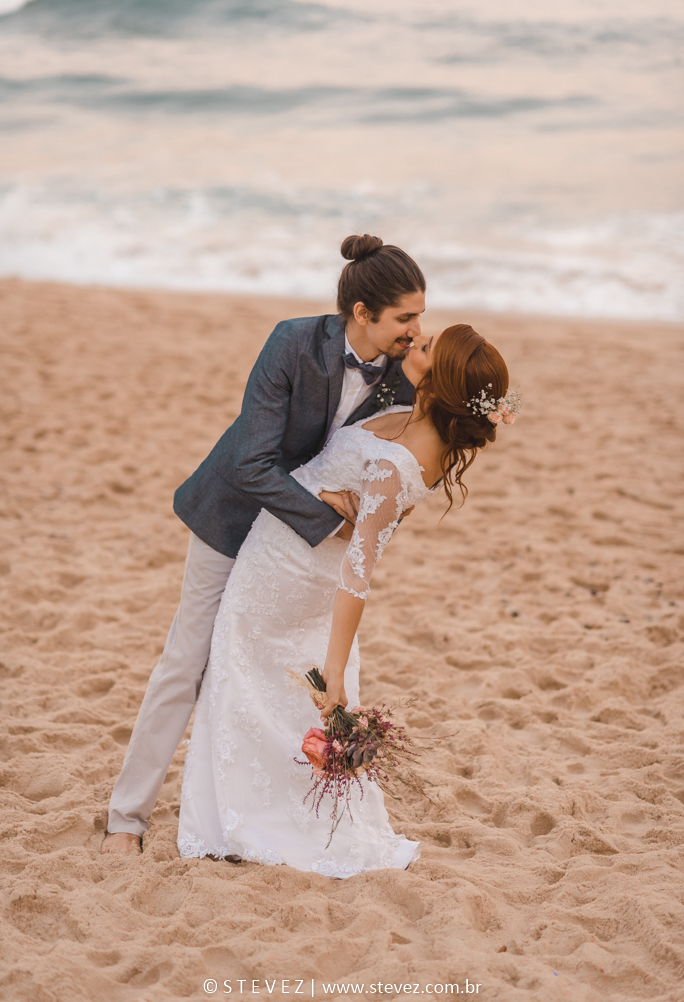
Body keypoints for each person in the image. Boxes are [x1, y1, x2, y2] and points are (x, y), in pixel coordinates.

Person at [102, 234, 426, 855]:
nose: (416, 328)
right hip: (232, 518)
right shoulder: (292, 342)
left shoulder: (400, 378)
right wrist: (328, 519)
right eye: (405, 317)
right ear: (362, 313)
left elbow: (393, 474)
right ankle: (127, 819)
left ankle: (268, 814)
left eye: (419, 316)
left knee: (282, 671)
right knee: (187, 660)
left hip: (294, 555)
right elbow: (252, 463)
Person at [176, 323, 514, 877]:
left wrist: (337, 669)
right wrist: (324, 500)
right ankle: (244, 813)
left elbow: (359, 576)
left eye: (425, 348)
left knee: (251, 677)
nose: (415, 342)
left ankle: (247, 822)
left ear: (438, 380)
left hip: (290, 573)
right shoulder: (413, 419)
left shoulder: (396, 465)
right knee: (255, 683)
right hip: (289, 556)